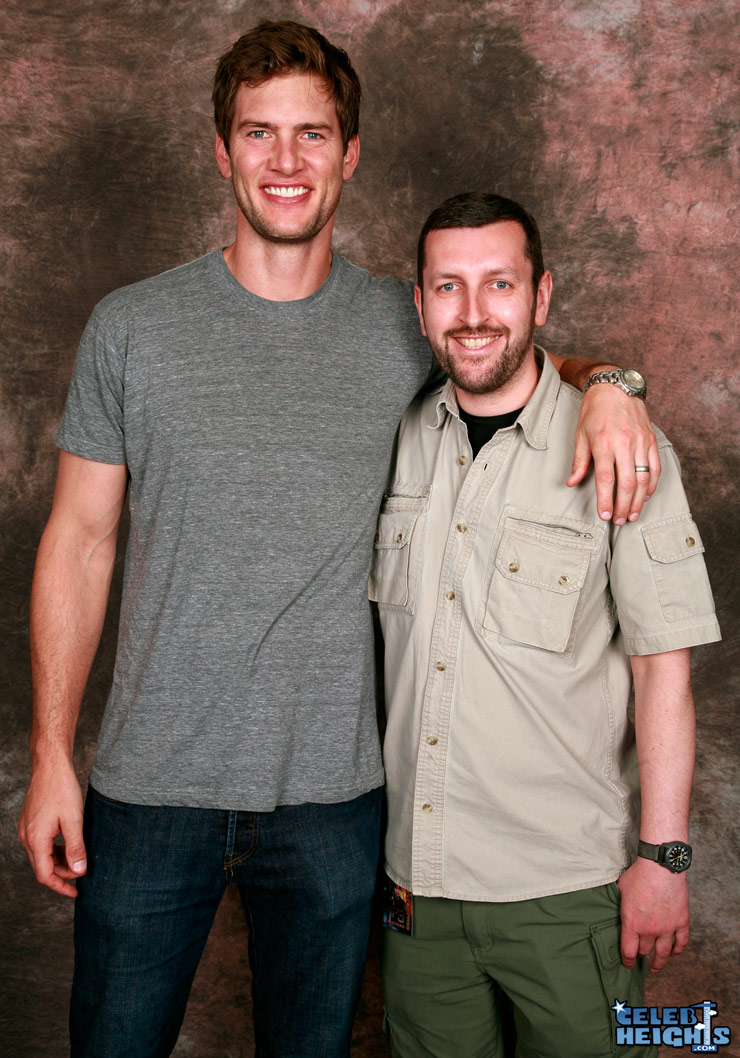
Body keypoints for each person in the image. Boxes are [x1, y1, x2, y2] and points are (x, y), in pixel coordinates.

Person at [18, 21, 661, 1058]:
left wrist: (613, 388)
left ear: (348, 154)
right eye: (257, 134)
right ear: (220, 151)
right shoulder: (131, 328)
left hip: (333, 800)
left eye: (310, 135)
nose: (284, 162)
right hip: (149, 791)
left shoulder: (397, 326)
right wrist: (51, 756)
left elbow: (509, 350)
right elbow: (78, 539)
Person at [374, 191, 721, 1058]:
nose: (474, 313)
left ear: (542, 295)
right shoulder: (399, 435)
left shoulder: (622, 446)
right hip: (419, 898)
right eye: (448, 288)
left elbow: (662, 673)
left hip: (570, 898)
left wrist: (665, 858)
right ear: (418, 305)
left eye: (500, 284)